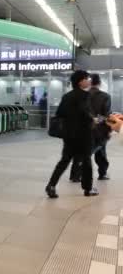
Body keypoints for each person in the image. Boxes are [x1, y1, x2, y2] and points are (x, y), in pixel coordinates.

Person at [45, 70, 99, 198]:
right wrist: (93, 119)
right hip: (83, 135)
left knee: (64, 161)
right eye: (87, 79)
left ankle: (51, 185)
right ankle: (88, 189)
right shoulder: (84, 95)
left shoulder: (67, 96)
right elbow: (85, 113)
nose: (89, 81)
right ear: (80, 81)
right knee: (86, 161)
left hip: (69, 135)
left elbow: (60, 114)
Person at [70, 73, 112, 181]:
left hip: (83, 128)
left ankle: (75, 175)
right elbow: (106, 115)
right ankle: (102, 174)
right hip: (99, 129)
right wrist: (107, 128)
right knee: (100, 151)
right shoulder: (105, 96)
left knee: (81, 150)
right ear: (100, 83)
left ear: (90, 83)